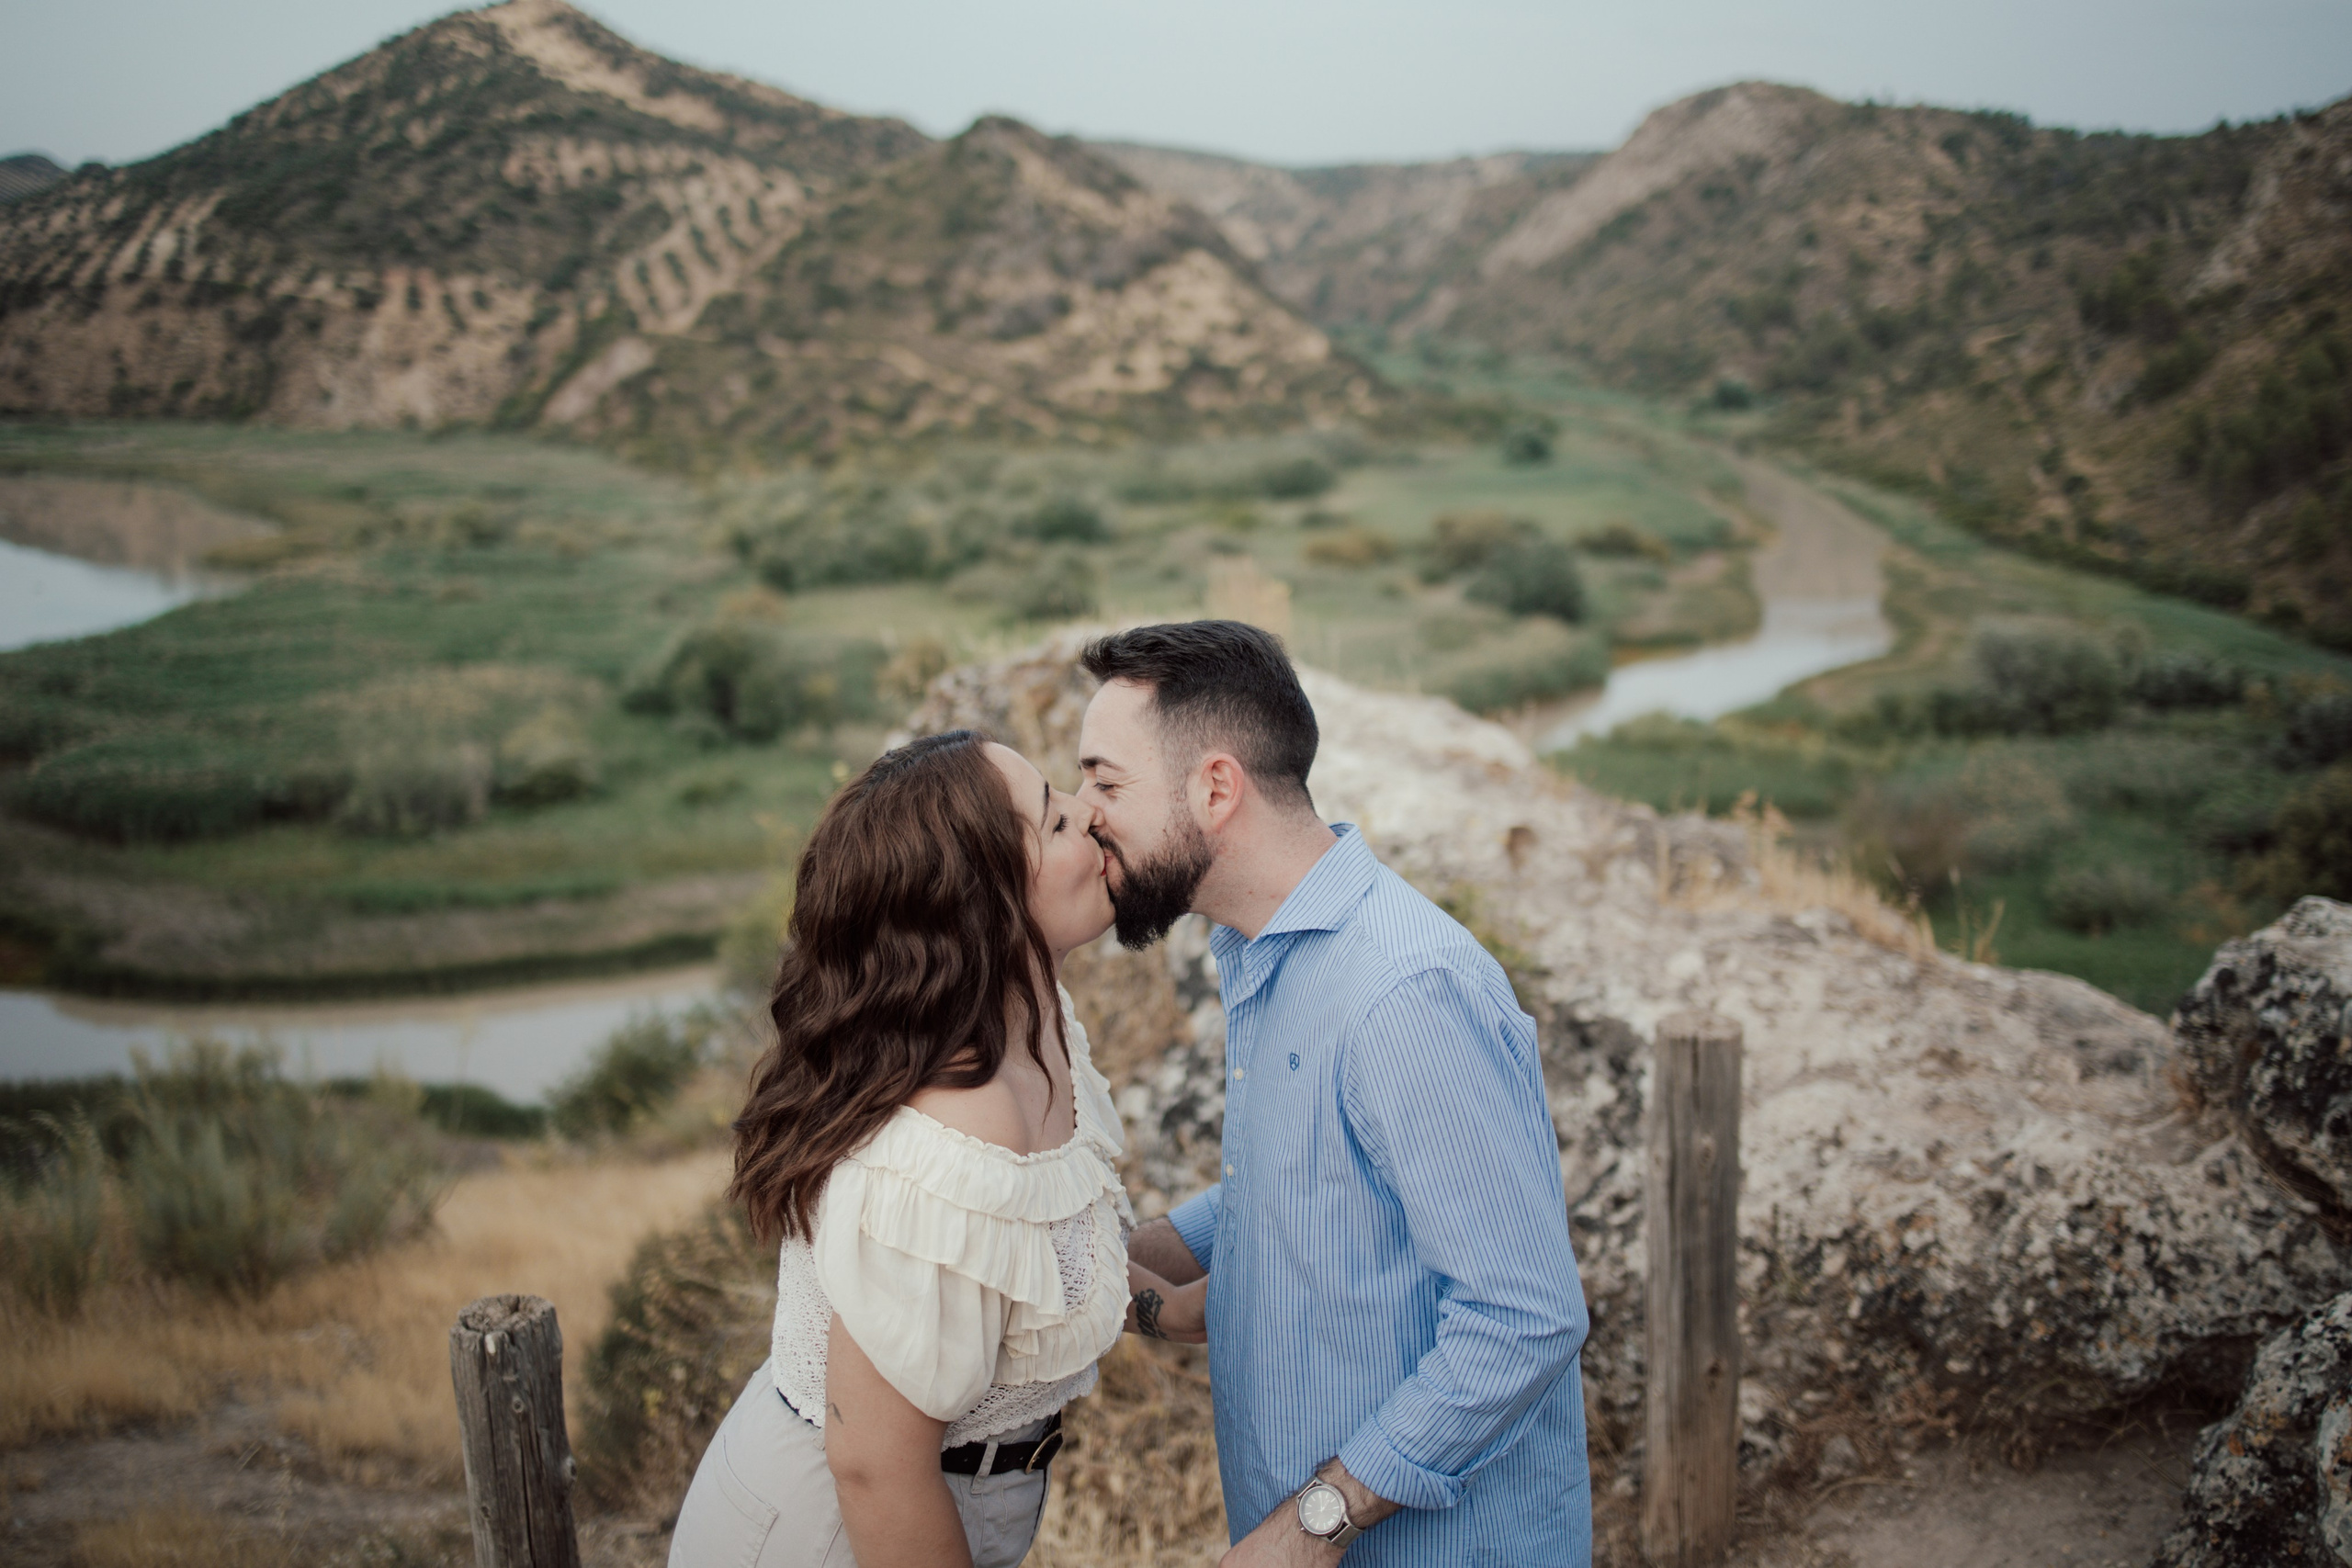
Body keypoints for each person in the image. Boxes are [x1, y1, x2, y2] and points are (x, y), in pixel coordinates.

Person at [1077, 620, 1592, 1567]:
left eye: (1105, 783)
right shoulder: (1266, 949)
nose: (1083, 813)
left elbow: (1524, 1320)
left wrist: (1315, 1522)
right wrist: (1108, 1261)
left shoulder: (1403, 993)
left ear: (1215, 788)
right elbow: (1316, 1175)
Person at [670, 728, 1201, 1568]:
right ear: (981, 902)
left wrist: (1165, 1309)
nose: (1089, 815)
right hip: (839, 1531)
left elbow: (1018, 1261)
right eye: (1054, 821)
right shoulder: (959, 1115)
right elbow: (875, 1464)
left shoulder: (1031, 1022)